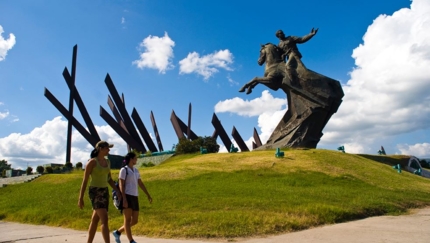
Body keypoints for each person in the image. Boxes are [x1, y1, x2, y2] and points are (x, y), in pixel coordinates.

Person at [78, 140, 121, 243]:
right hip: (95, 191)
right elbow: (85, 180)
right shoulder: (92, 162)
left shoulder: (108, 161)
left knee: (95, 220)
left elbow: (109, 179)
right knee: (104, 220)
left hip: (104, 191)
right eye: (107, 148)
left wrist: (117, 190)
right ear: (100, 149)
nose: (109, 150)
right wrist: (80, 198)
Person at [112, 152, 152, 243]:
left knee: (135, 220)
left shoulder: (136, 170)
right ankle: (131, 241)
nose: (136, 159)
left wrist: (148, 194)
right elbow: (121, 184)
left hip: (135, 196)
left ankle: (118, 232)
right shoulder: (123, 170)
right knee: (127, 219)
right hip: (127, 196)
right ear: (131, 159)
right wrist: (124, 198)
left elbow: (140, 183)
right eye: (135, 158)